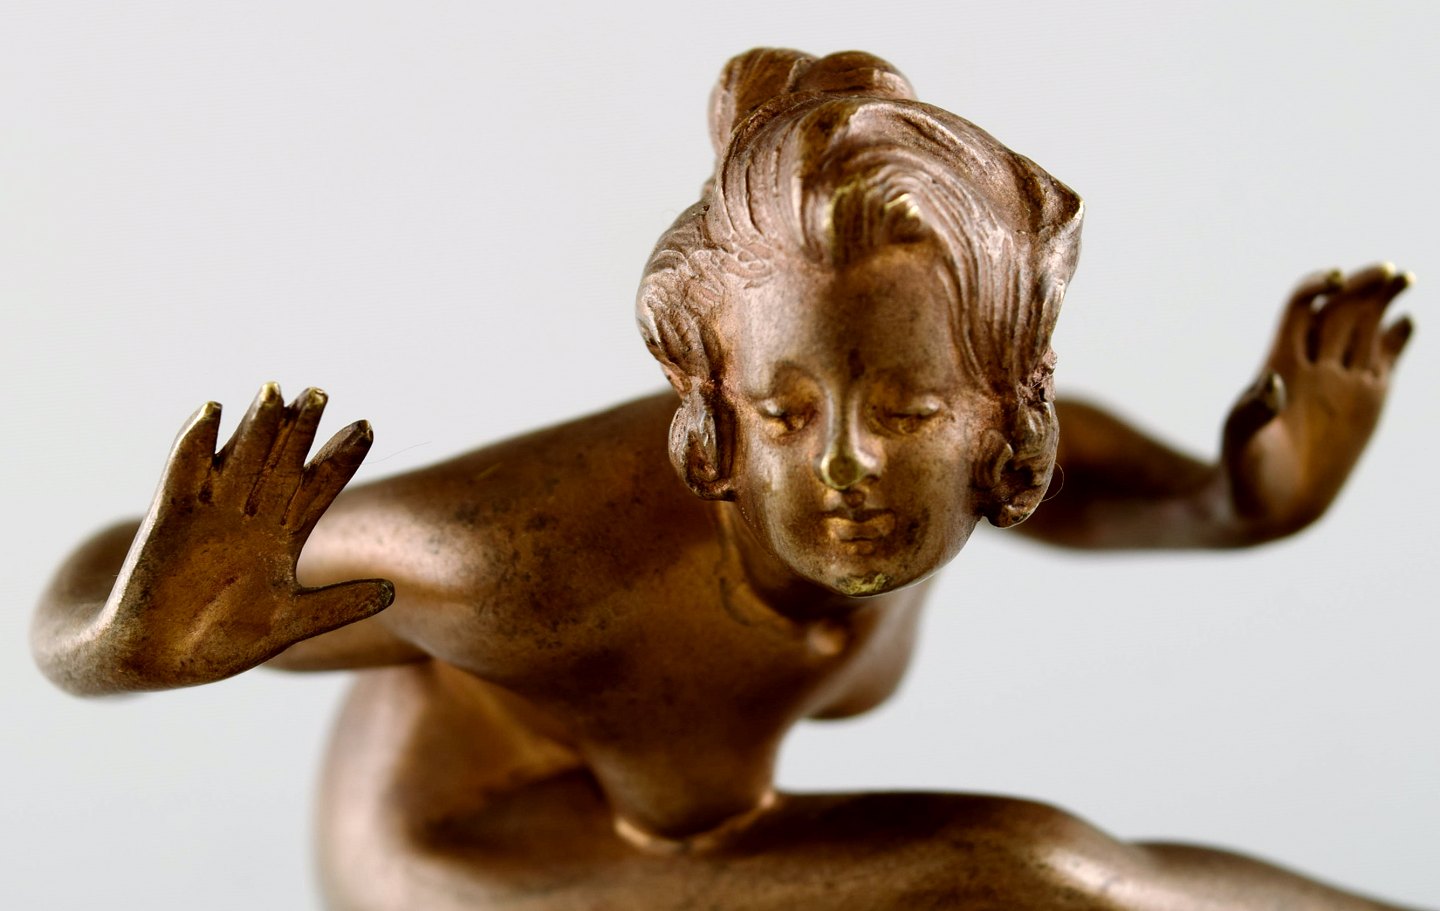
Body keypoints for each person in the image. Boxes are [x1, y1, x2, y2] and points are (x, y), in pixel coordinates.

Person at [32, 49, 1415, 910]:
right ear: (713, 411)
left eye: (908, 407)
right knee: (1021, 877)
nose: (848, 464)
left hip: (700, 846)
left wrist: (1267, 498)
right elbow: (95, 591)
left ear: (1007, 413)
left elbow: (1165, 502)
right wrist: (134, 644)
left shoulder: (992, 464)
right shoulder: (530, 558)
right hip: (465, 863)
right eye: (785, 411)